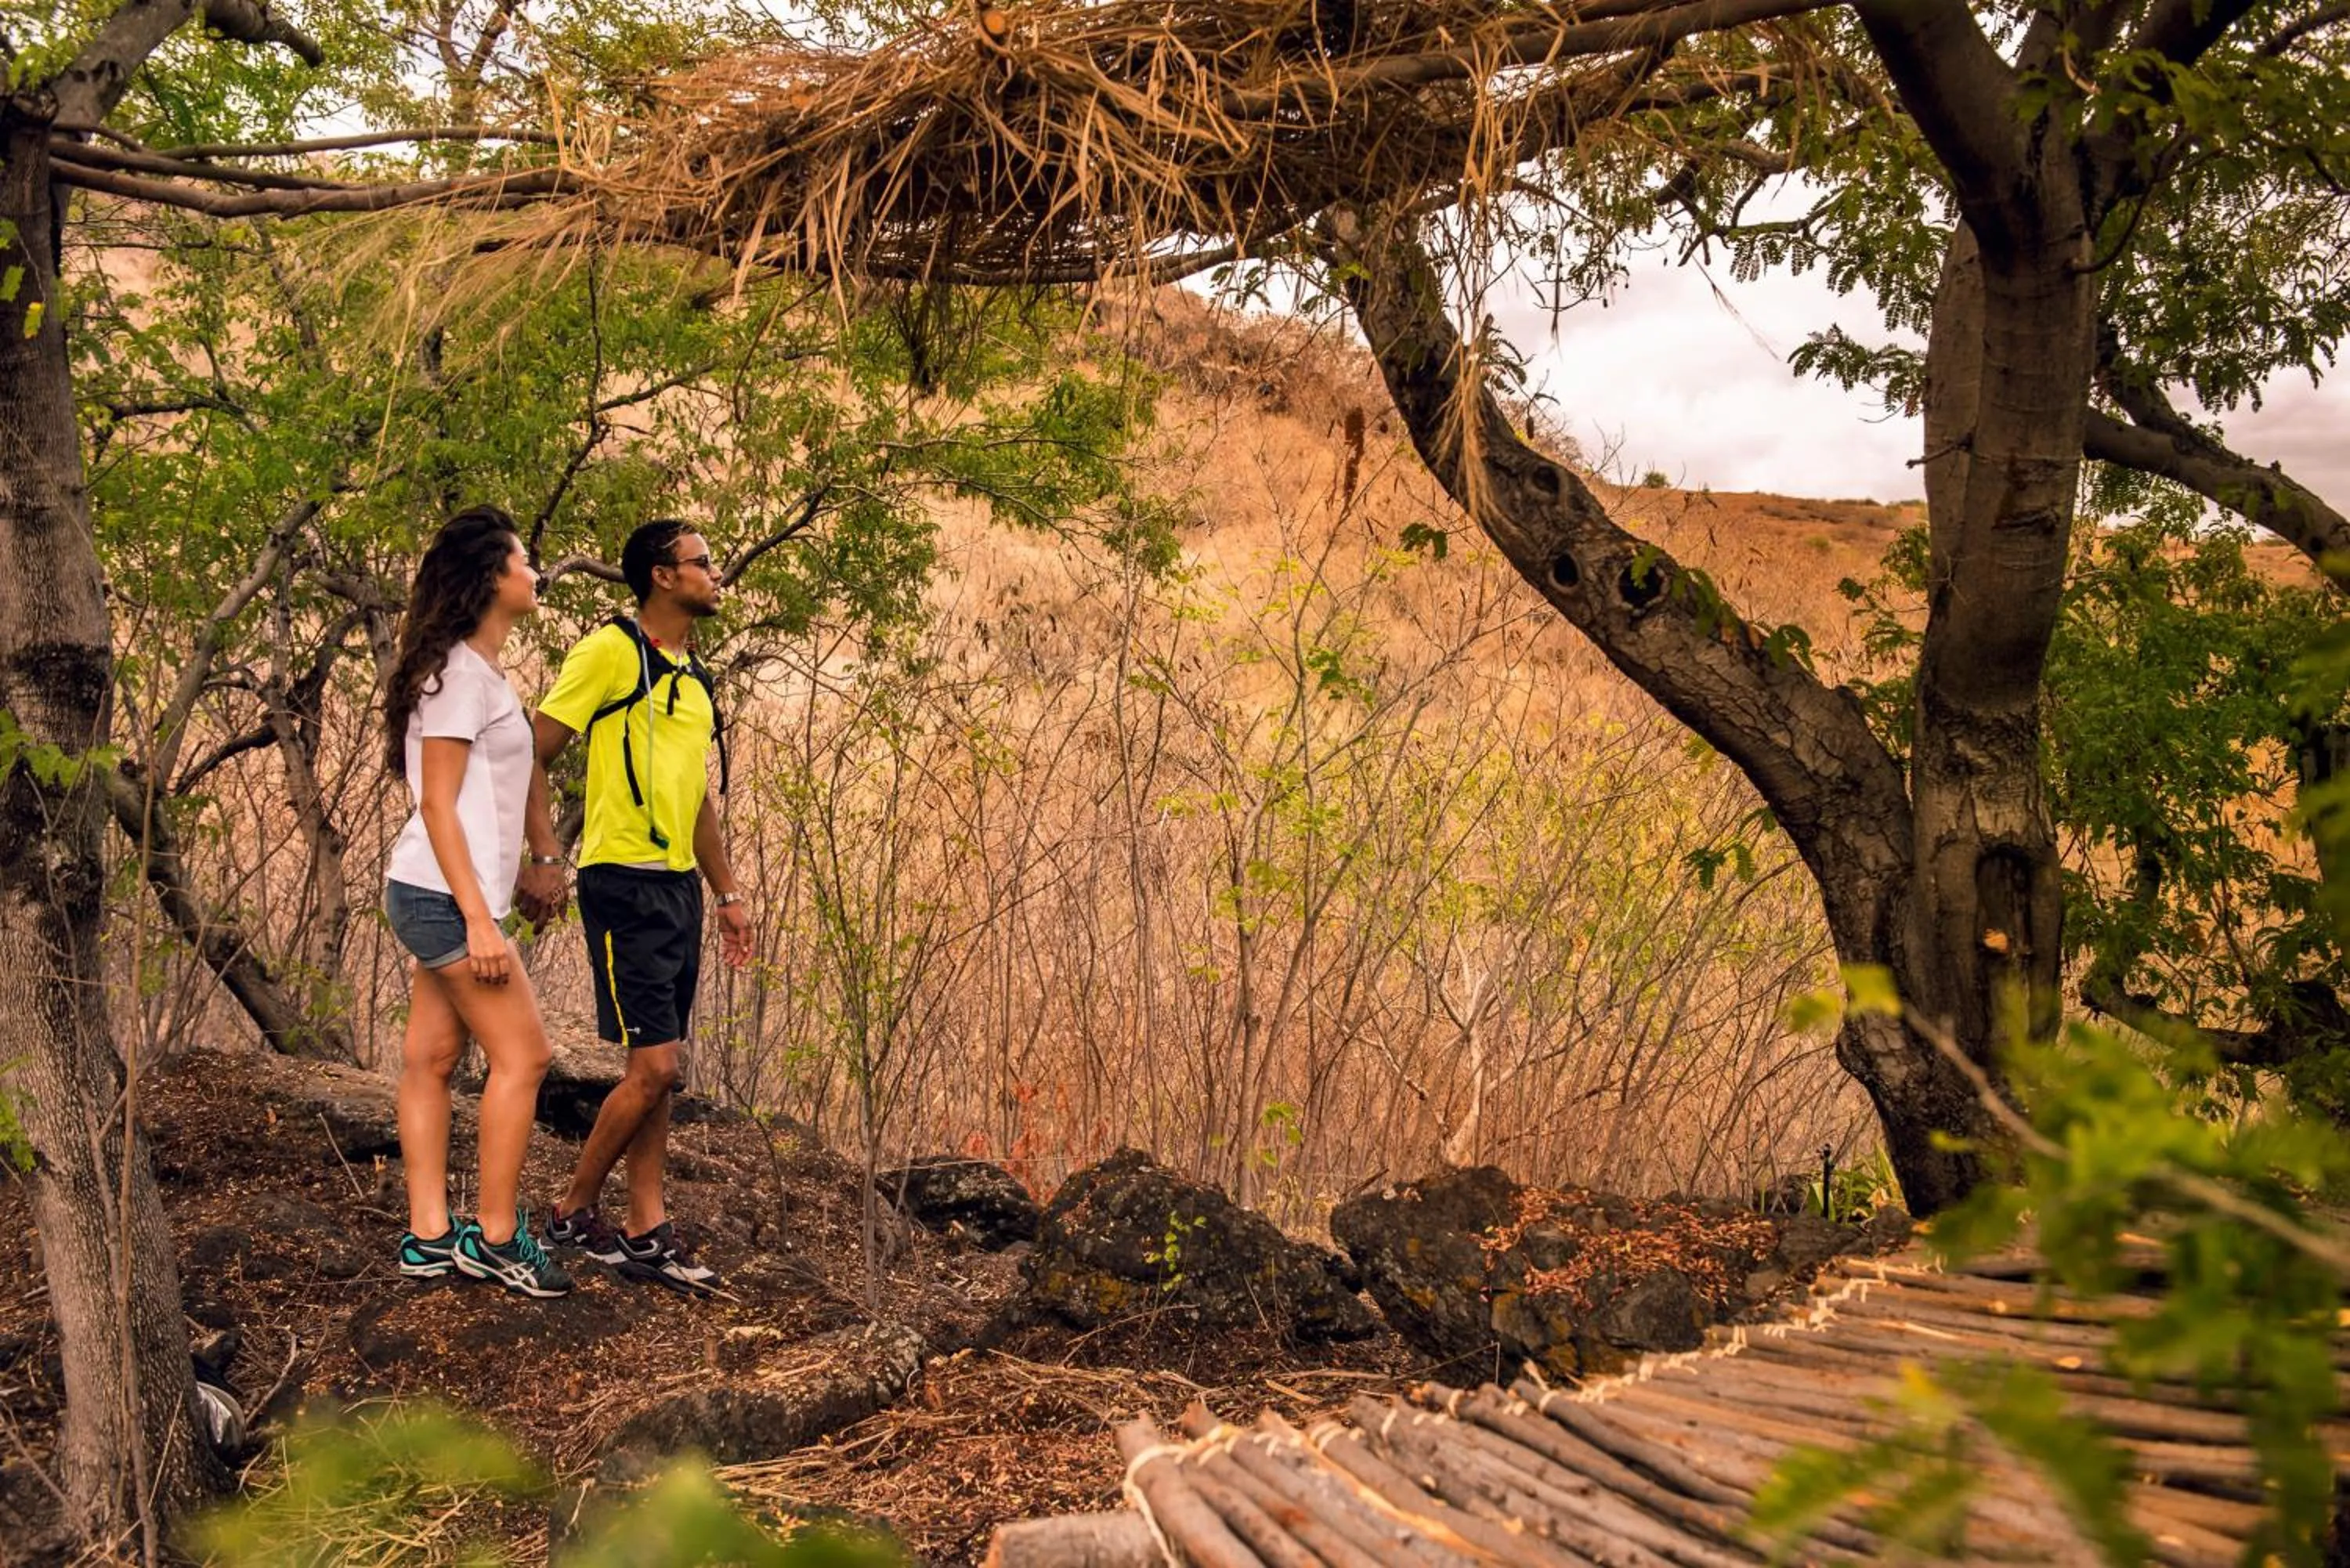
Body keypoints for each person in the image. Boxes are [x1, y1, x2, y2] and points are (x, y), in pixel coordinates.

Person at [524, 518, 752, 1295]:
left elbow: (699, 804)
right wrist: (546, 858)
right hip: (621, 881)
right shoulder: (610, 652)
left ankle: (646, 1228)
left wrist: (728, 894)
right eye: (702, 563)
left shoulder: (695, 679)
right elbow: (536, 745)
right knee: (655, 1065)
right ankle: (569, 1210)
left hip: (679, 888)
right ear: (662, 574)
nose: (715, 574)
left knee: (658, 1068)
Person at [385, 506, 572, 1298]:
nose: (537, 573)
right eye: (526, 561)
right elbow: (437, 804)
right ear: (494, 576)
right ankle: (496, 1238)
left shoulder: (478, 670)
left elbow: (502, 784)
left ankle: (429, 1236)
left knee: (430, 1058)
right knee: (525, 1056)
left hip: (438, 891)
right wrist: (475, 917)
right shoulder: (460, 676)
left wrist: (534, 861)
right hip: (440, 896)